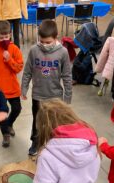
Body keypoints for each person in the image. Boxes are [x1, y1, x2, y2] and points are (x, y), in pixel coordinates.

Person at [21, 20, 72, 156]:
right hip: (38, 95)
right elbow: (27, 71)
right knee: (37, 121)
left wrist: (67, 97)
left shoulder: (63, 52)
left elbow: (67, 76)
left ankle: (55, 143)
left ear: (56, 38)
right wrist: (24, 88)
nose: (44, 45)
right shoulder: (34, 50)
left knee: (56, 122)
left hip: (55, 96)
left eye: (48, 42)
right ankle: (36, 142)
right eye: (41, 41)